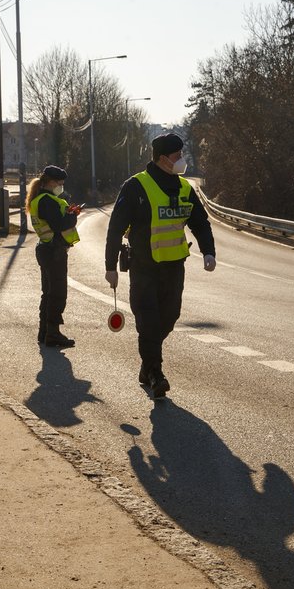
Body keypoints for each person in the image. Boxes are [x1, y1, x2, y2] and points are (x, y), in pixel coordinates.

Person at [104, 132, 216, 398]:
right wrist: (110, 265)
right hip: (144, 267)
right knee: (149, 322)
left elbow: (200, 222)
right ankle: (155, 373)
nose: (182, 161)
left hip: (174, 266)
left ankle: (147, 365)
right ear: (164, 159)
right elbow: (116, 226)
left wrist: (208, 251)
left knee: (169, 318)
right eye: (178, 156)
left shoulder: (186, 188)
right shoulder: (136, 187)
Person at [27, 164, 82, 348]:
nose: (62, 186)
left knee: (48, 293)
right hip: (54, 252)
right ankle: (53, 333)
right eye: (60, 182)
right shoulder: (47, 201)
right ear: (51, 182)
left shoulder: (40, 199)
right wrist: (73, 216)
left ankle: (44, 332)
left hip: (46, 248)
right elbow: (59, 224)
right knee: (57, 293)